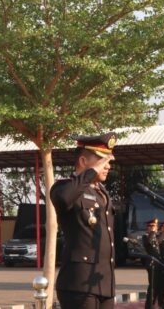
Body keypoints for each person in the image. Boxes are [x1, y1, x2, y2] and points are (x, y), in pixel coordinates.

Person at [50, 132, 117, 309]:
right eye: (102, 161)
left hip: (103, 283)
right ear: (83, 161)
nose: (108, 166)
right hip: (78, 284)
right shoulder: (64, 187)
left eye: (109, 162)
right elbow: (64, 199)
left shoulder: (102, 193)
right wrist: (89, 174)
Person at [143, 218, 161, 309]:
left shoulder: (156, 236)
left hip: (158, 264)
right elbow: (149, 243)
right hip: (151, 264)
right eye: (151, 226)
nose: (153, 228)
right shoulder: (146, 236)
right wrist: (153, 232)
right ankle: (149, 306)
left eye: (155, 226)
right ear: (148, 228)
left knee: (157, 286)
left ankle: (153, 304)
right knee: (152, 286)